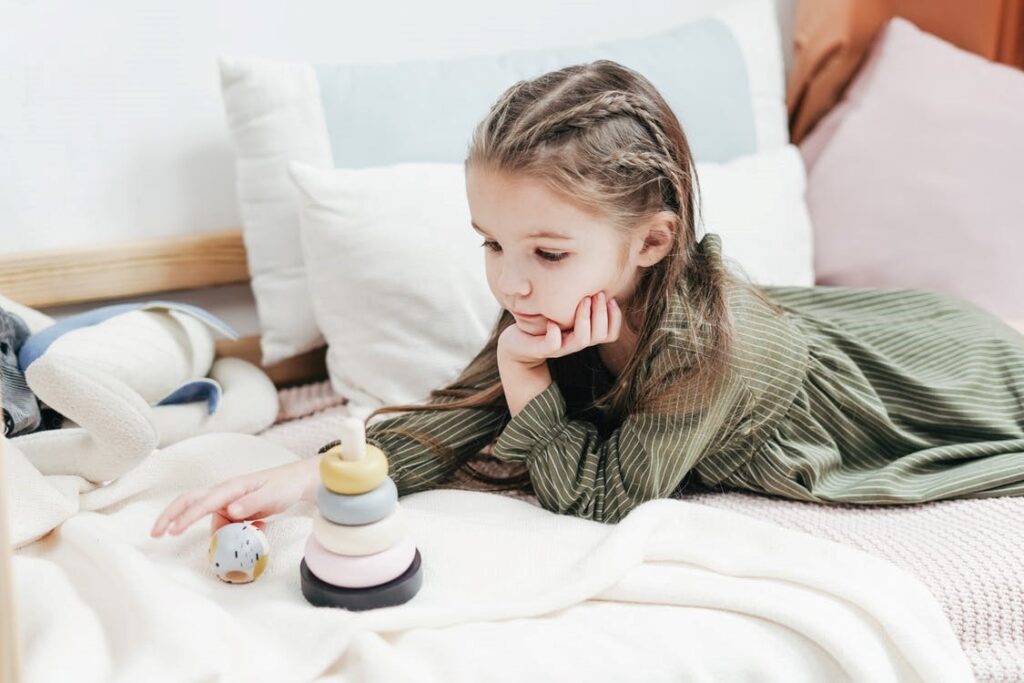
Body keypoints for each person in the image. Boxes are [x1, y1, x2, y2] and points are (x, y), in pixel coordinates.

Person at [152, 59, 1024, 537]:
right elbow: (461, 417)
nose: (510, 278)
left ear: (651, 242)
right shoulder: (557, 294)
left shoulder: (706, 346)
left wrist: (531, 387)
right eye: (491, 243)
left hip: (945, 372)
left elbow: (603, 498)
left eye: (545, 250)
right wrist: (307, 474)